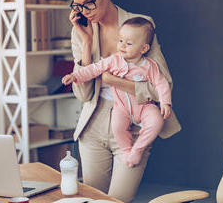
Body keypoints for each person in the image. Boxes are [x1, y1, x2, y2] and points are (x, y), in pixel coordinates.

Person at [67, 0, 181, 203]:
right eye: (77, 5)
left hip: (133, 125)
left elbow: (162, 85)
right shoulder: (80, 31)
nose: (84, 11)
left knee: (118, 201)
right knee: (92, 200)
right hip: (94, 125)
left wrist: (114, 81)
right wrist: (86, 44)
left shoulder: (140, 25)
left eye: (89, 3)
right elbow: (83, 94)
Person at [63, 17, 172, 168]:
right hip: (121, 107)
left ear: (144, 49)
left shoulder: (149, 65)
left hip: (145, 106)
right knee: (117, 126)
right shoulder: (114, 60)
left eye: (129, 43)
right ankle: (127, 150)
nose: (122, 46)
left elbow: (161, 83)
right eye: (120, 41)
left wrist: (165, 102)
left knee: (156, 121)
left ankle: (138, 149)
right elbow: (94, 69)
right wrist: (75, 76)